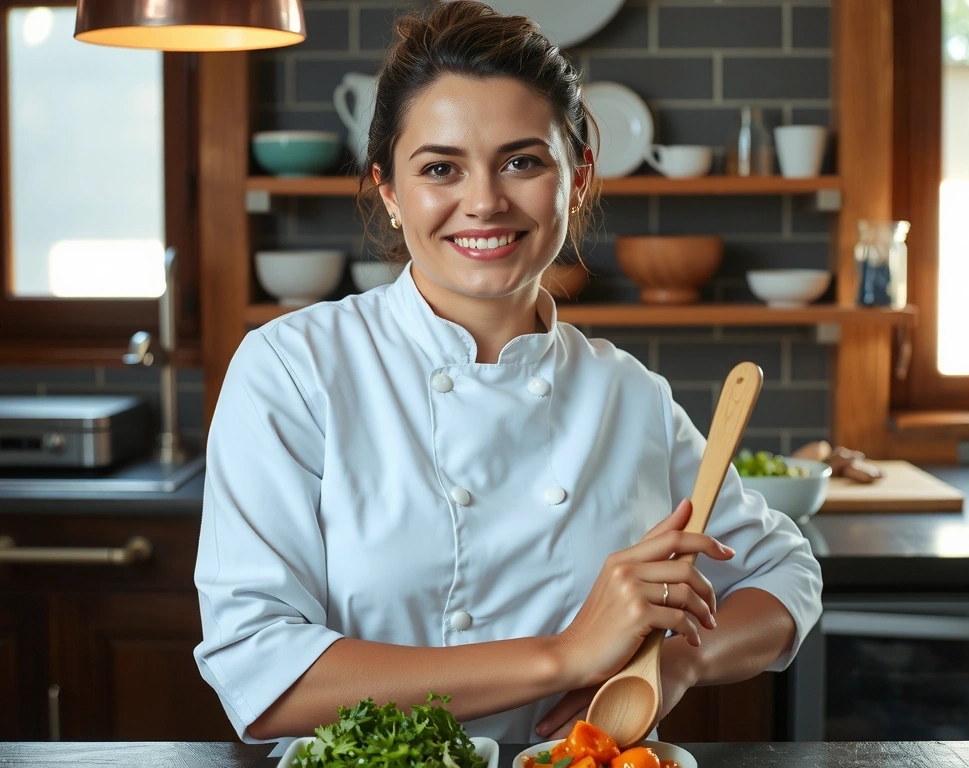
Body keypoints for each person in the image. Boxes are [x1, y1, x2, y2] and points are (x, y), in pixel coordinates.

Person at [194, 0, 823, 749]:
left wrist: (674, 663)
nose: (485, 202)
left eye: (522, 161)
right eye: (440, 169)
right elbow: (260, 675)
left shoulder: (628, 397)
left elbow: (785, 574)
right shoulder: (294, 370)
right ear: (390, 193)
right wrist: (565, 654)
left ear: (578, 177)